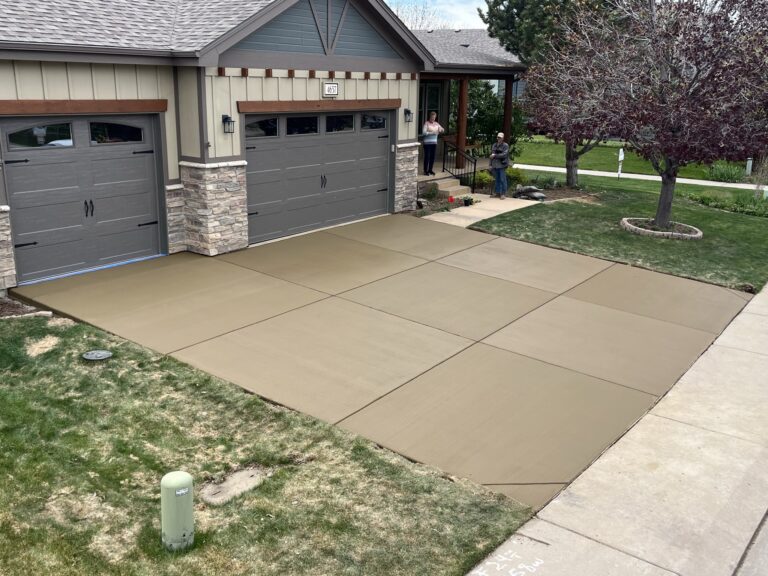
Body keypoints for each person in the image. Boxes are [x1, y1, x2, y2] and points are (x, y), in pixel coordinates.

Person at [422, 111, 444, 176]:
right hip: (427, 143)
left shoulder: (437, 124)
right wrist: (432, 133)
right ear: (430, 117)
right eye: (432, 117)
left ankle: (430, 170)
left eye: (434, 117)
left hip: (434, 143)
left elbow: (443, 129)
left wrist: (441, 129)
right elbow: (423, 132)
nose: (433, 119)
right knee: (427, 157)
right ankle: (425, 171)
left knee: (432, 157)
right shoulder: (426, 123)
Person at [490, 132, 510, 199]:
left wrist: (495, 155)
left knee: (502, 179)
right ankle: (497, 193)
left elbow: (504, 154)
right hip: (495, 165)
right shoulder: (494, 145)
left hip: (502, 165)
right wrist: (490, 164)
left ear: (503, 138)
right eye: (498, 137)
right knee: (497, 179)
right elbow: (492, 155)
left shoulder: (505, 145)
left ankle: (503, 194)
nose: (499, 138)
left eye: (500, 137)